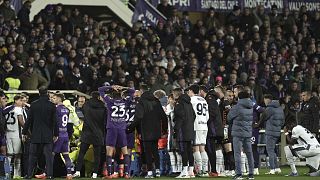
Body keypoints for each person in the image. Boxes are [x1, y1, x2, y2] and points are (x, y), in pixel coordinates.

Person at [127, 86, 167, 178]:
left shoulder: (141, 102)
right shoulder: (156, 101)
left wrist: (131, 128)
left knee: (148, 152)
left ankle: (149, 172)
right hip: (156, 130)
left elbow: (138, 117)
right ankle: (157, 171)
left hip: (146, 130)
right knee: (155, 151)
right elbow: (163, 117)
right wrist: (164, 129)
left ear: (141, 92)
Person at [98, 85, 134, 179]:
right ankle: (126, 173)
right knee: (125, 152)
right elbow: (132, 91)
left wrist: (111, 86)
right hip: (122, 129)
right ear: (121, 95)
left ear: (112, 96)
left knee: (109, 152)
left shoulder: (109, 102)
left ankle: (110, 174)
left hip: (111, 129)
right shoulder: (125, 102)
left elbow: (100, 89)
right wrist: (123, 87)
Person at [35, 92, 73, 179]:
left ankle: (46, 173)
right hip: (65, 135)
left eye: (54, 98)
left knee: (50, 154)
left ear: (59, 99)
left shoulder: (56, 109)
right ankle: (69, 174)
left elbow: (53, 121)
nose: (52, 99)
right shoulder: (67, 109)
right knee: (66, 155)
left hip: (58, 135)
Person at [22, 87, 57, 179]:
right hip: (48, 134)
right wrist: (56, 134)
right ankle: (49, 175)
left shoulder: (34, 105)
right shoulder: (52, 105)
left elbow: (29, 120)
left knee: (32, 156)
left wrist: (24, 132)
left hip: (36, 134)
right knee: (48, 156)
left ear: (39, 93)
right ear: (47, 94)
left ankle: (29, 175)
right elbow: (55, 121)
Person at [73, 91, 106, 179]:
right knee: (97, 156)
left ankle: (77, 172)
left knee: (81, 153)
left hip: (87, 133)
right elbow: (104, 121)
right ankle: (94, 174)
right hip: (98, 134)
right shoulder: (103, 107)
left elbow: (83, 113)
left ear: (91, 97)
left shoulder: (86, 105)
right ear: (98, 97)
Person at [227, 91, 254, 180]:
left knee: (237, 153)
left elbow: (229, 118)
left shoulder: (237, 107)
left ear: (239, 98)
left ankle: (239, 174)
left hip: (238, 133)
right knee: (249, 153)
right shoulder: (251, 106)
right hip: (248, 132)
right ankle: (251, 174)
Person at [201, 86, 224, 177]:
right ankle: (218, 170)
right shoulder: (212, 98)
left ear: (202, 91)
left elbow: (212, 113)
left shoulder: (209, 99)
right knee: (216, 149)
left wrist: (205, 121)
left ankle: (214, 171)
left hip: (212, 129)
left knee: (211, 150)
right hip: (216, 128)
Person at [258, 94, 284, 175]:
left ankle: (272, 169)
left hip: (270, 131)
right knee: (273, 150)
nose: (264, 102)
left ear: (268, 100)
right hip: (277, 132)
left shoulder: (269, 109)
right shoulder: (280, 108)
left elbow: (263, 118)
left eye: (265, 100)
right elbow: (283, 121)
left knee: (270, 150)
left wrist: (258, 125)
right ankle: (277, 168)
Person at [187, 84, 209, 177]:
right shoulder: (203, 100)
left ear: (191, 91)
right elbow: (207, 115)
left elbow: (190, 114)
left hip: (196, 126)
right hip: (204, 125)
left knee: (196, 148)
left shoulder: (191, 100)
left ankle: (200, 170)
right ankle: (205, 170)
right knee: (202, 149)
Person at [173, 91, 195, 178]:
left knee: (183, 150)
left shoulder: (179, 104)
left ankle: (185, 171)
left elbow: (180, 116)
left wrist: (176, 129)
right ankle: (191, 171)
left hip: (182, 130)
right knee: (189, 150)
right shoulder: (189, 104)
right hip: (190, 129)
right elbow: (194, 115)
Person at [5, 95, 25, 179]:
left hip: (7, 133)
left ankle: (6, 173)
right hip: (16, 134)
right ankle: (16, 174)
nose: (22, 103)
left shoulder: (7, 108)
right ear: (16, 101)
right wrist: (27, 130)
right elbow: (21, 121)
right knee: (17, 155)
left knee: (8, 155)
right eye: (21, 101)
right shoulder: (18, 109)